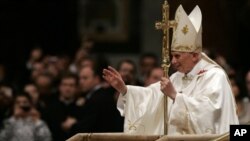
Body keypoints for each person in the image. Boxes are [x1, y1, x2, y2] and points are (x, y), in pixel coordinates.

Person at [103, 5, 239, 135]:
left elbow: (209, 114)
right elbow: (151, 97)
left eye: (177, 56)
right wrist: (124, 89)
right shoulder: (177, 77)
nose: (173, 61)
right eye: (172, 55)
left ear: (195, 55)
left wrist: (175, 96)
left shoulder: (215, 76)